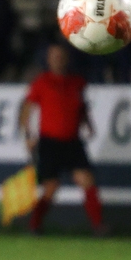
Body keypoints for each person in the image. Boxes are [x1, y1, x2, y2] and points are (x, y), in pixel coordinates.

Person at [18, 43, 105, 236]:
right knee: (51, 187)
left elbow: (81, 106)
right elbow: (27, 109)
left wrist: (88, 124)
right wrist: (28, 135)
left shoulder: (77, 82)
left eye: (60, 56)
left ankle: (98, 226)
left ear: (66, 59)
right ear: (48, 60)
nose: (57, 60)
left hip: (72, 141)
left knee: (87, 180)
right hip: (50, 142)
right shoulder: (42, 82)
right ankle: (34, 225)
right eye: (53, 56)